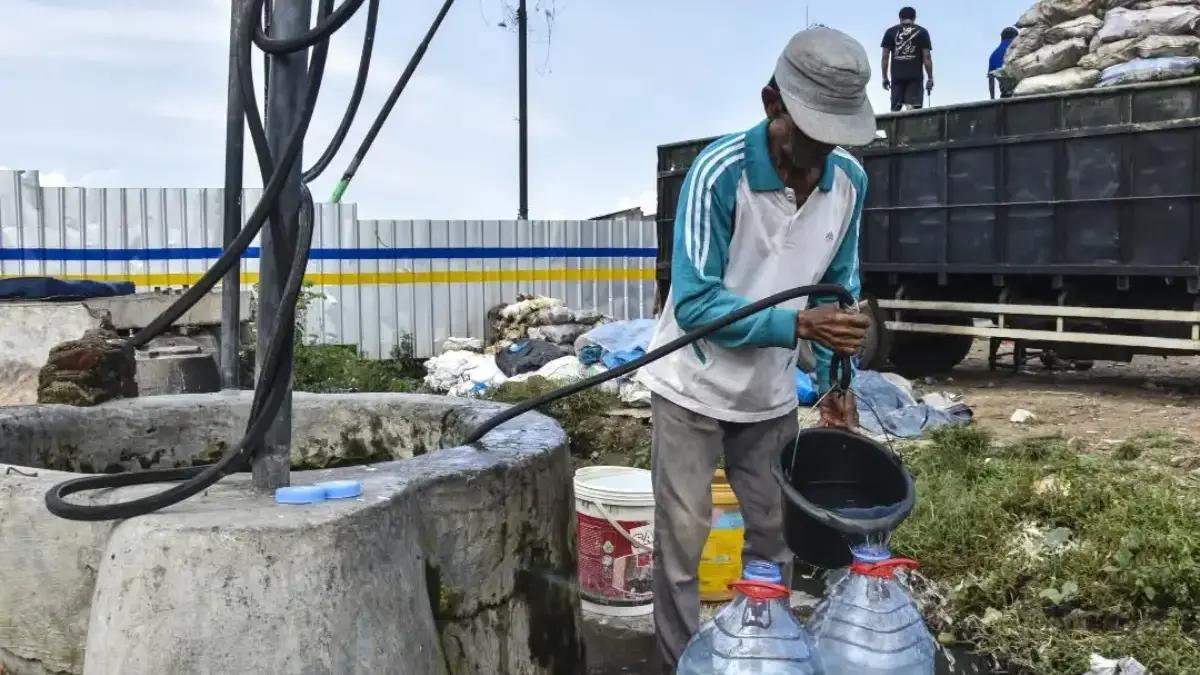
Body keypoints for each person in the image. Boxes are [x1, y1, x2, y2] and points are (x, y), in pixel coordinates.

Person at [639, 26, 874, 674]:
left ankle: (762, 658)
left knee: (774, 537)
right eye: (807, 137)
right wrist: (799, 328)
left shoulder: (848, 183)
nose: (814, 163)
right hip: (691, 387)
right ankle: (679, 663)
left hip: (769, 399)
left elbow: (841, 293)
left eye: (832, 142)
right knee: (682, 544)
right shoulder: (719, 175)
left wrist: (836, 385)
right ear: (773, 102)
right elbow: (695, 305)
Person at [880, 6, 933, 111]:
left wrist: (885, 77)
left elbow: (885, 57)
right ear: (914, 18)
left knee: (895, 109)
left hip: (897, 76)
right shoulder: (922, 32)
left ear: (900, 18)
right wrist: (930, 78)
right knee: (913, 108)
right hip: (915, 76)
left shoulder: (890, 32)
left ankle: (894, 127)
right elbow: (927, 57)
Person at [989, 27, 1020, 99]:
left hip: (1005, 95)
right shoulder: (1017, 48)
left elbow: (991, 80)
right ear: (1014, 38)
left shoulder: (993, 55)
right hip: (1021, 92)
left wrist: (992, 99)